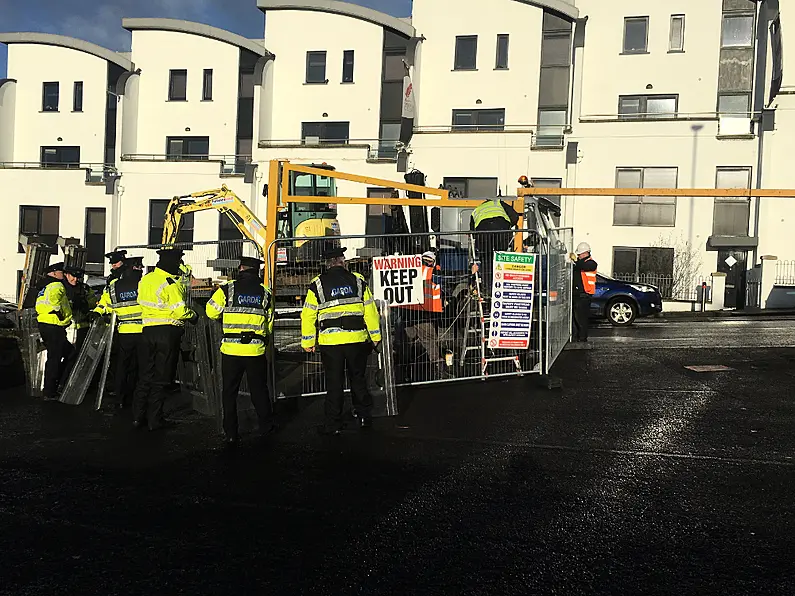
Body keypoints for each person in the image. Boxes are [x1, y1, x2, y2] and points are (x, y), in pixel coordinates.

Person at [300, 245, 381, 435]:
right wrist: (376, 337)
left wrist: (308, 342)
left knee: (334, 383)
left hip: (331, 343)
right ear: (342, 262)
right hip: (356, 340)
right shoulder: (358, 280)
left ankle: (333, 424)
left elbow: (308, 314)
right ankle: (363, 417)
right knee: (358, 379)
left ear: (327, 264)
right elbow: (370, 311)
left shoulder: (318, 284)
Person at [206, 256, 276, 445]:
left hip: (231, 350)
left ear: (241, 269)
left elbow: (211, 312)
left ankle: (231, 432)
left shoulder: (227, 289)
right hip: (255, 350)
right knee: (259, 391)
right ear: (256, 271)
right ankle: (266, 427)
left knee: (229, 392)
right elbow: (269, 321)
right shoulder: (265, 292)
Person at [134, 248, 197, 431]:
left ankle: (138, 417)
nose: (179, 266)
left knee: (145, 375)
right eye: (178, 262)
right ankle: (155, 420)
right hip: (167, 333)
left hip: (146, 331)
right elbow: (180, 310)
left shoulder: (146, 279)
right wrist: (193, 316)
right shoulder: (170, 283)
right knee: (161, 378)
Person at [91, 256, 145, 410]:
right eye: (140, 267)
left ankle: (120, 398)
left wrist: (97, 313)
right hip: (143, 331)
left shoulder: (113, 286)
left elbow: (104, 304)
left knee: (122, 366)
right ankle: (136, 399)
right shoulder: (143, 285)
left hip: (124, 332)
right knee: (140, 368)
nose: (141, 269)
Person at [400, 250, 444, 378]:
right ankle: (438, 372)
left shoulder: (408, 272)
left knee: (406, 345)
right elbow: (447, 279)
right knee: (430, 344)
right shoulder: (432, 273)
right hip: (423, 316)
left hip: (407, 315)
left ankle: (405, 373)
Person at [35, 262, 74, 400]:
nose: (63, 274)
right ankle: (50, 391)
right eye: (60, 272)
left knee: (67, 353)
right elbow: (54, 303)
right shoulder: (56, 285)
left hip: (45, 325)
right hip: (54, 325)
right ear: (53, 273)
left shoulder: (44, 287)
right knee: (55, 358)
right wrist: (63, 317)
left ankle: (55, 385)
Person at [469, 198, 521, 293]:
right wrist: (509, 226)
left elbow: (472, 231)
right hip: (501, 227)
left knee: (486, 258)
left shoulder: (477, 209)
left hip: (483, 230)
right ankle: (501, 285)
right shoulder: (499, 203)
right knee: (501, 256)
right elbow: (515, 216)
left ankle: (488, 289)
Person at [65, 267, 97, 354]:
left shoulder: (84, 288)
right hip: (67, 328)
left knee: (81, 353)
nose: (75, 280)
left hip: (83, 327)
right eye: (73, 277)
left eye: (77, 277)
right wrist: (72, 304)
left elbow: (93, 301)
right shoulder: (62, 288)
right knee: (67, 354)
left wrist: (85, 304)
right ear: (66, 275)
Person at [571, 242, 598, 343]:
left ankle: (582, 339)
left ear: (586, 253)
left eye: (580, 254)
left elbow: (582, 265)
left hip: (585, 295)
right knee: (575, 319)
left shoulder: (591, 263)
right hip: (577, 294)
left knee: (581, 319)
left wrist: (575, 260)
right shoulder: (579, 264)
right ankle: (575, 338)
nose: (578, 256)